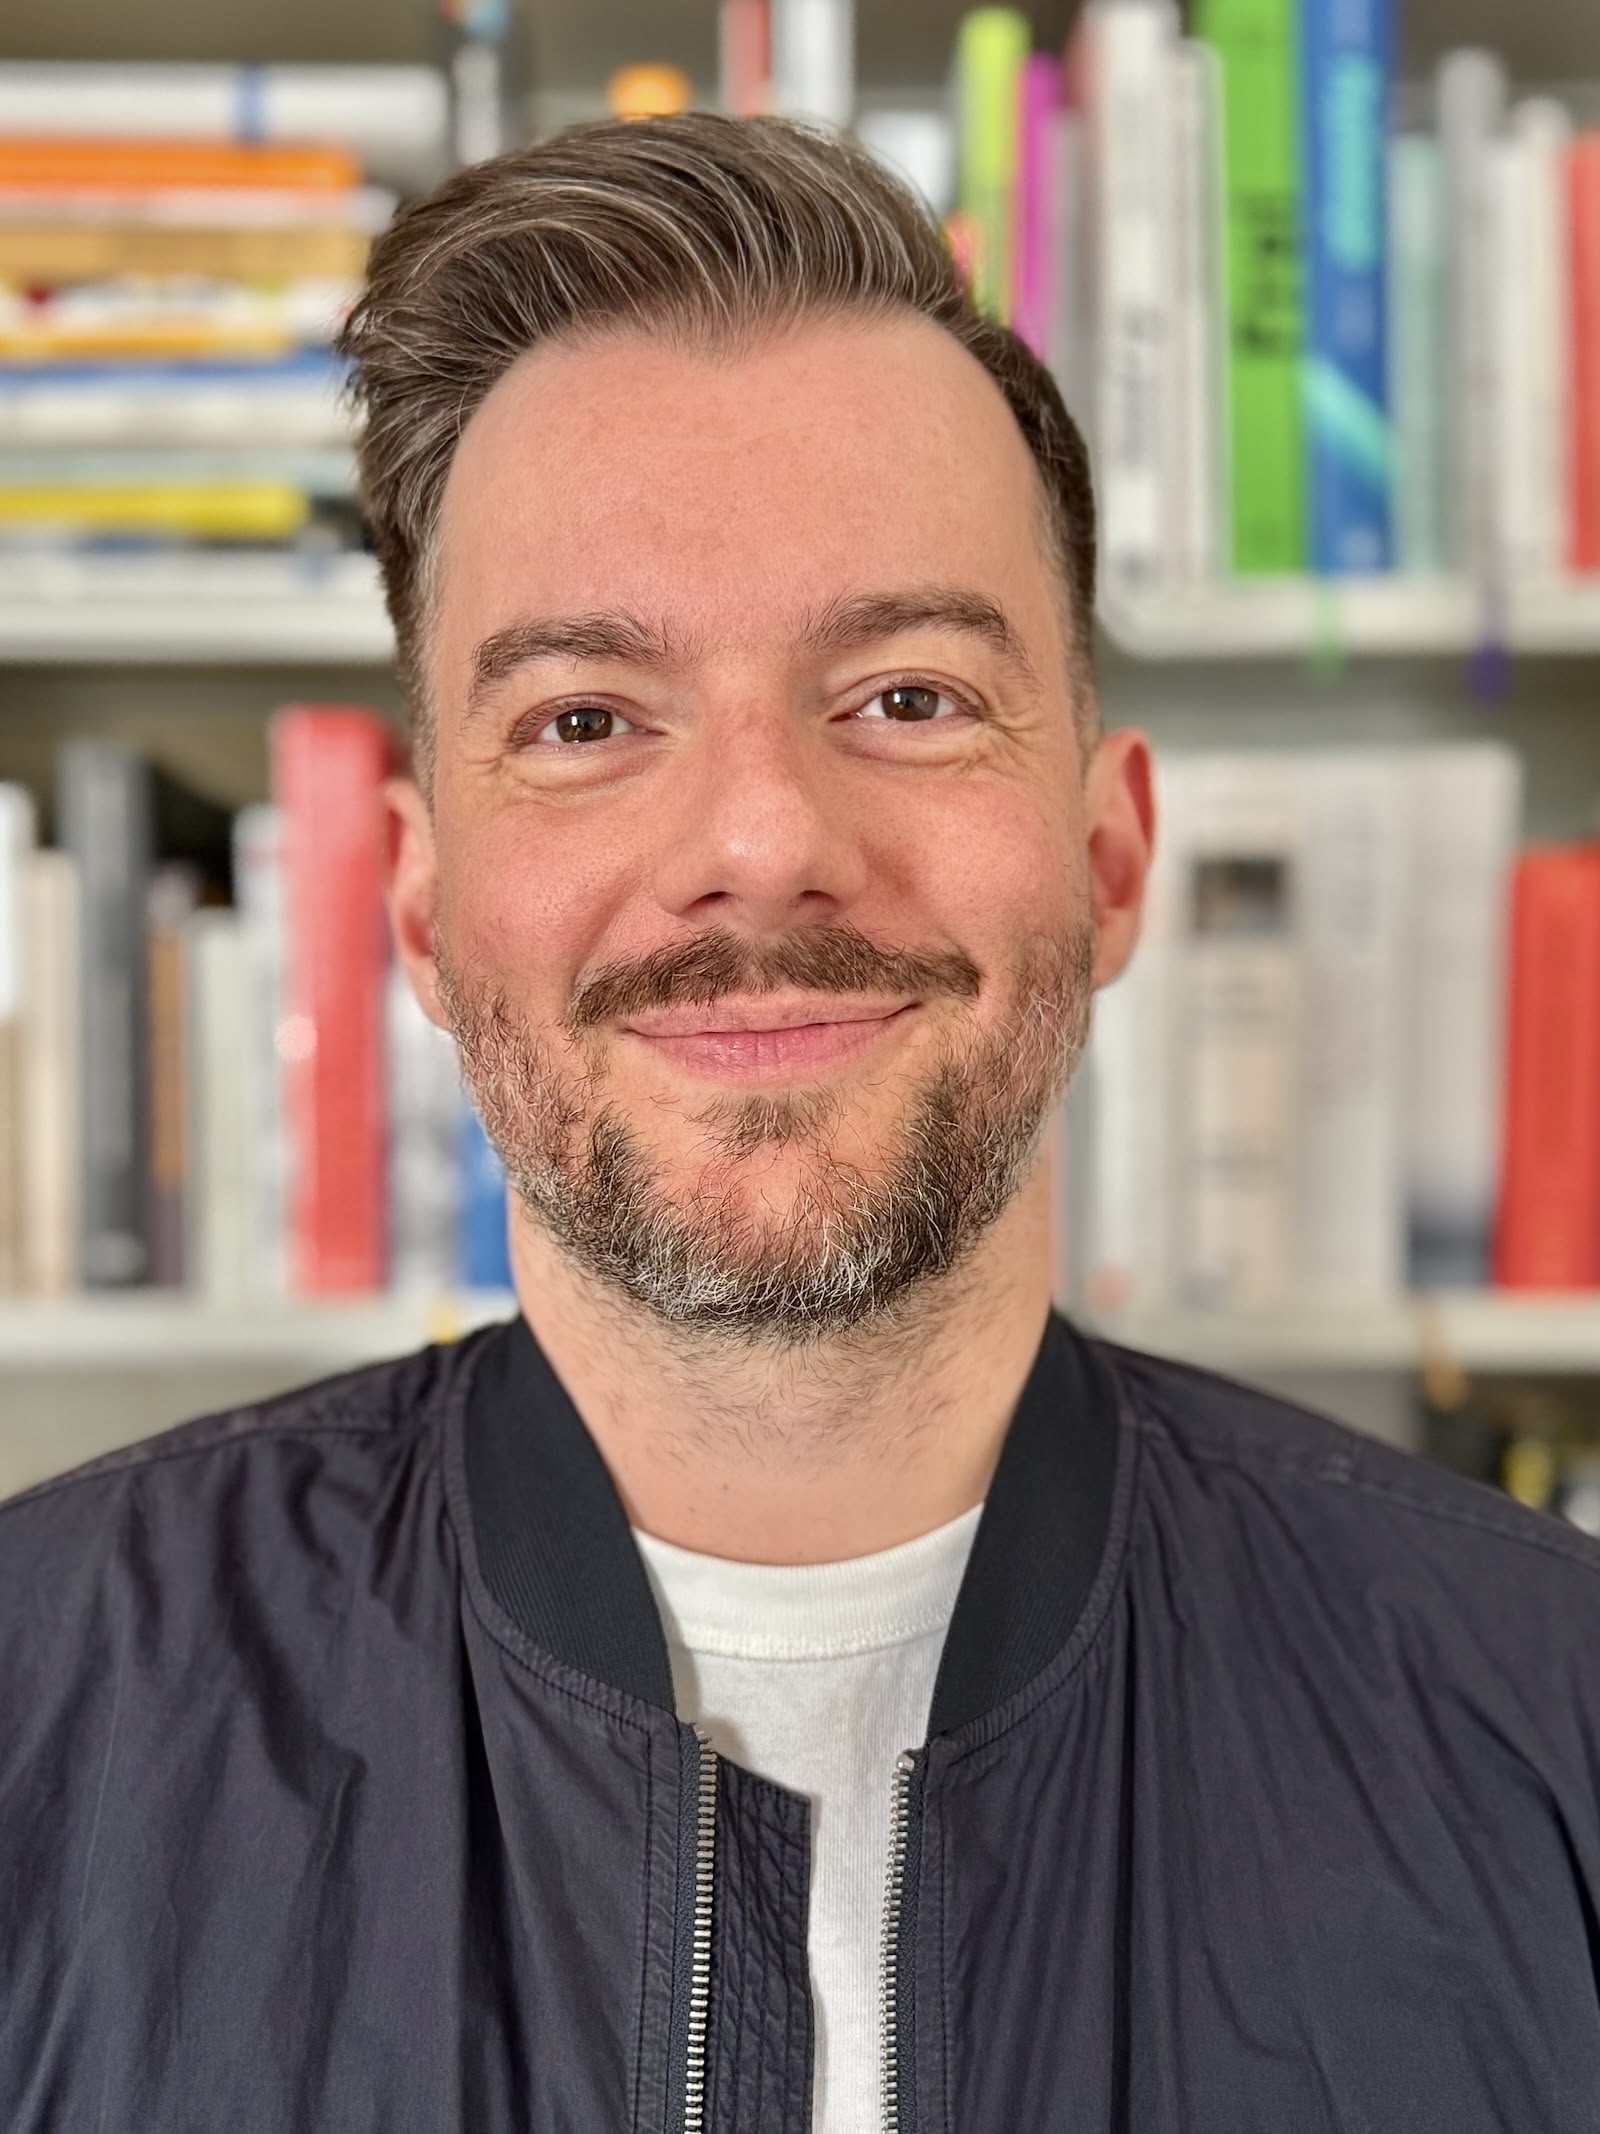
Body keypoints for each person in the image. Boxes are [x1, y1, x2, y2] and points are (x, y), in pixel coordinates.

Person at [3, 114, 1598, 2134]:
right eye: (586, 721)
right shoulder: (36, 1718)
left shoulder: (1554, 1722)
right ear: (418, 911)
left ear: (1110, 856)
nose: (760, 841)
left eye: (907, 697)